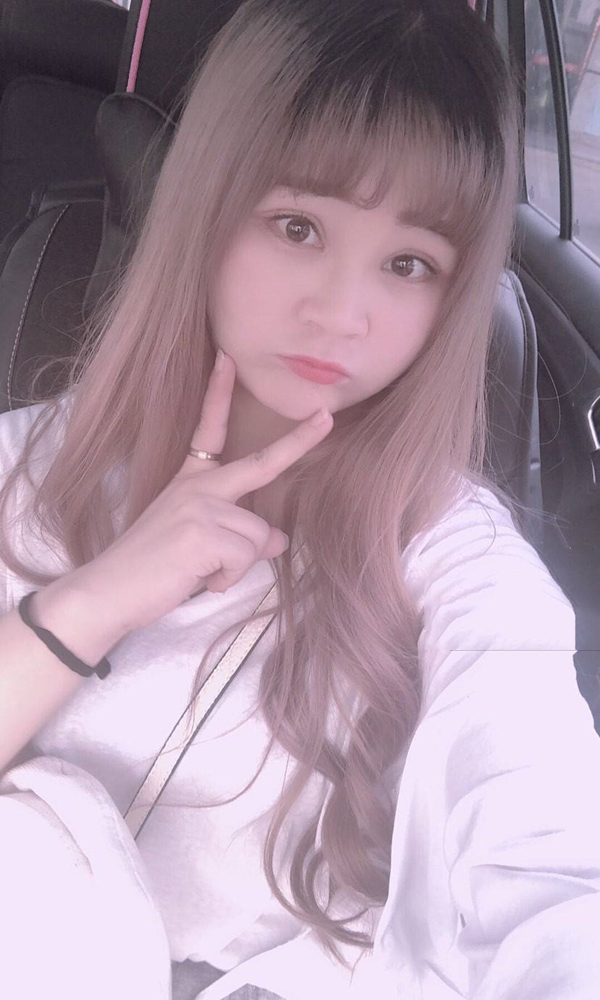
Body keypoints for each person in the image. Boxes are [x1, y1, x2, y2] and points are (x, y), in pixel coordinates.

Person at [0, 0, 599, 997]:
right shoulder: (28, 463)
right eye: (298, 226)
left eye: (408, 263)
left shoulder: (452, 554)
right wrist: (93, 601)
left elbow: (544, 851)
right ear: (206, 206)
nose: (343, 312)